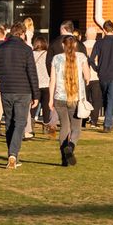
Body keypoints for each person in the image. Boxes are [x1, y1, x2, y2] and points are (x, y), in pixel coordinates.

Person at [0, 21, 38, 170]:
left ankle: (12, 154)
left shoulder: (0, 48)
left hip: (6, 89)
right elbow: (32, 73)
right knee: (20, 123)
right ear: (22, 34)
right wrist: (36, 94)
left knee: (9, 122)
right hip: (23, 90)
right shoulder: (26, 49)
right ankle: (13, 154)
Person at [48, 36, 92, 166]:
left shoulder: (56, 58)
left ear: (63, 45)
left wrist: (50, 99)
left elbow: (52, 81)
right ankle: (71, 147)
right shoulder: (81, 57)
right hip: (75, 98)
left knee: (64, 128)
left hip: (59, 98)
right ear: (76, 46)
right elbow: (87, 76)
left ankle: (64, 158)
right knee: (76, 128)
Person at [32, 35, 52, 134]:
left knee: (33, 105)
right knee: (46, 106)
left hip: (35, 83)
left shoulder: (31, 54)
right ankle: (46, 125)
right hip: (46, 83)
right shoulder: (48, 54)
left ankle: (30, 124)